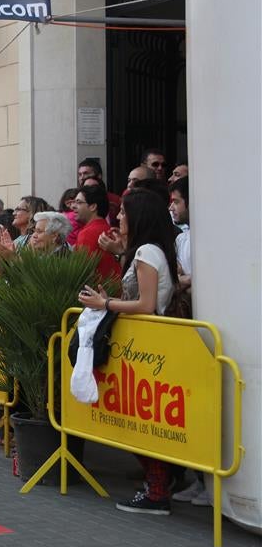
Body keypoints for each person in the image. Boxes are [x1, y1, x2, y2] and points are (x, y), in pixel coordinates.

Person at [78, 189, 177, 515]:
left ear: (139, 217)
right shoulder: (145, 250)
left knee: (141, 420)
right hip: (143, 345)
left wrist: (104, 303)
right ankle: (156, 486)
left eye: (123, 212)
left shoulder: (147, 252)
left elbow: (146, 304)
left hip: (148, 346)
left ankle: (157, 491)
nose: (118, 217)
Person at [71, 184, 122, 281]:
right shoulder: (109, 230)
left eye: (78, 202)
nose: (73, 206)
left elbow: (82, 273)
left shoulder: (87, 233)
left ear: (93, 206)